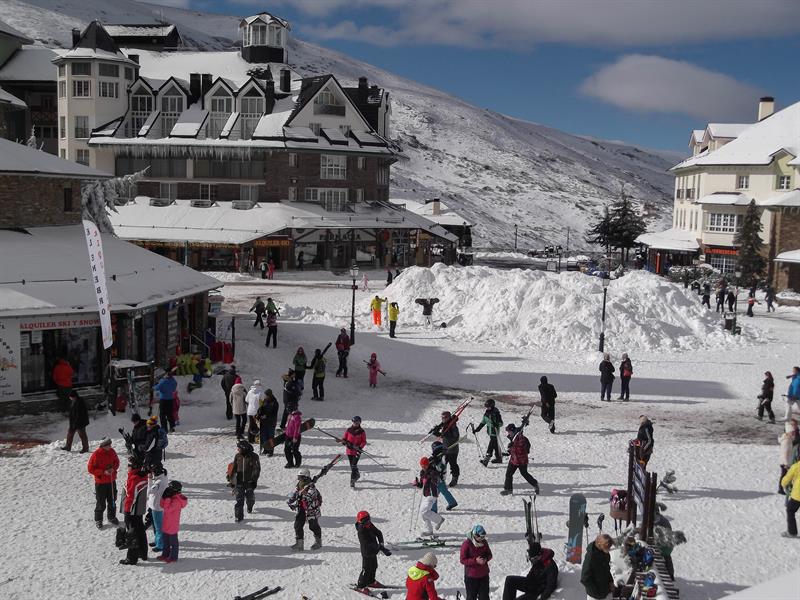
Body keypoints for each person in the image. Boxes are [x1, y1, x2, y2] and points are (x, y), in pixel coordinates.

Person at [119, 456, 149, 565]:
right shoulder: (142, 476)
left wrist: (127, 511)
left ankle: (131, 558)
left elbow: (130, 496)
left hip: (131, 509)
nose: (128, 467)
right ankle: (143, 553)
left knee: (132, 534)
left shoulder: (134, 478)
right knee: (140, 530)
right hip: (138, 509)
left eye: (129, 465)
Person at [87, 437, 120, 529]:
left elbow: (117, 462)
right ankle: (98, 519)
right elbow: (90, 469)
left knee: (112, 500)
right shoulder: (96, 455)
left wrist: (113, 468)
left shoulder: (112, 452)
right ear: (103, 446)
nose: (110, 446)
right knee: (101, 502)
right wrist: (103, 472)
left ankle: (112, 517)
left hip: (111, 480)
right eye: (108, 444)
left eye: (110, 444)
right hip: (101, 483)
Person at [289, 468, 323, 550]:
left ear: (305, 478)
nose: (299, 479)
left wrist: (305, 493)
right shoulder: (300, 485)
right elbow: (296, 494)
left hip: (311, 510)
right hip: (301, 509)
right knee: (297, 525)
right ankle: (299, 544)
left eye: (301, 477)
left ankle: (318, 541)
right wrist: (291, 501)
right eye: (299, 477)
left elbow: (312, 497)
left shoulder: (311, 487)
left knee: (313, 526)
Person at [501, 424, 540, 496]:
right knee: (508, 474)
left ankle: (535, 484)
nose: (508, 433)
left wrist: (513, 446)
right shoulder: (513, 438)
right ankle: (508, 489)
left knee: (524, 474)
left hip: (522, 461)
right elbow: (513, 448)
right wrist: (508, 452)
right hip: (514, 459)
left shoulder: (521, 439)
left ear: (513, 431)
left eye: (509, 431)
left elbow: (523, 448)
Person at [229, 440, 260, 523]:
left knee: (249, 497)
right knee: (239, 499)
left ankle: (250, 506)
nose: (237, 449)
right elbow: (234, 468)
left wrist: (253, 480)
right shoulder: (237, 456)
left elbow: (256, 469)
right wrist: (231, 480)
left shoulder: (254, 456)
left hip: (250, 482)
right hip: (239, 482)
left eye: (239, 448)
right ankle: (238, 516)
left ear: (244, 448)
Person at [355, 511, 388, 590]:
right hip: (366, 552)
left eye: (368, 520)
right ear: (360, 521)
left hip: (373, 551)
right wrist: (379, 547)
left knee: (374, 566)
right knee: (366, 569)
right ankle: (361, 585)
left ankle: (370, 581)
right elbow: (367, 544)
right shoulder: (361, 530)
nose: (367, 522)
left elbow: (378, 533)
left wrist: (381, 544)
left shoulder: (369, 525)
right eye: (365, 521)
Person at [460, 524, 492, 600]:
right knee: (471, 597)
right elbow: (462, 559)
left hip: (484, 575)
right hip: (471, 577)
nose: (482, 539)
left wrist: (486, 559)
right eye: (481, 537)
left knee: (484, 597)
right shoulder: (466, 544)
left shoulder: (484, 542)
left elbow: (490, 554)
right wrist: (475, 561)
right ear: (475, 535)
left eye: (483, 537)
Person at [158, 481, 187, 563]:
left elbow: (167, 509)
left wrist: (167, 498)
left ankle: (174, 557)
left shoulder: (177, 501)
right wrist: (164, 497)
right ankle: (165, 554)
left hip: (172, 526)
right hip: (166, 523)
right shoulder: (171, 498)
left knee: (173, 543)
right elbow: (161, 505)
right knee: (165, 541)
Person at [416, 457, 444, 536]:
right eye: (422, 466)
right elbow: (421, 485)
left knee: (424, 511)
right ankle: (429, 530)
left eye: (424, 465)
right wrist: (417, 483)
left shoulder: (433, 471)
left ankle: (439, 520)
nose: (423, 467)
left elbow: (436, 480)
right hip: (426, 494)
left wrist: (428, 479)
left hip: (432, 494)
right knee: (422, 513)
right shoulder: (422, 472)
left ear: (428, 464)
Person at [581, 533, 614, 599]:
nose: (609, 549)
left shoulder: (605, 553)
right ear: (600, 545)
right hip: (595, 596)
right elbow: (585, 578)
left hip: (606, 591)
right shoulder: (591, 557)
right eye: (608, 547)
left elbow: (606, 569)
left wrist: (610, 581)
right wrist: (596, 593)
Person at [146, 464, 169, 553]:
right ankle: (157, 541)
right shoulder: (164, 477)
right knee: (156, 526)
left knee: (159, 527)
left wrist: (150, 479)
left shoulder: (158, 482)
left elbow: (149, 491)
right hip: (156, 506)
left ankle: (160, 545)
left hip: (157, 507)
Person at [475, 398, 503, 465]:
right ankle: (499, 458)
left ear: (492, 406)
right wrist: (477, 429)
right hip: (490, 432)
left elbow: (501, 423)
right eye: (486, 407)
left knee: (491, 445)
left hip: (494, 432)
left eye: (489, 407)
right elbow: (483, 422)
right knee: (495, 445)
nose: (487, 408)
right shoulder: (486, 413)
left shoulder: (496, 414)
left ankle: (486, 459)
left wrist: (496, 424)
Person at [431, 442, 458, 510]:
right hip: (440, 479)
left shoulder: (443, 457)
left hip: (438, 479)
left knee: (433, 494)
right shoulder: (438, 457)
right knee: (444, 491)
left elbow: (440, 468)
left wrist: (436, 462)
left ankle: (433, 510)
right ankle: (452, 502)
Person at [342, 416, 367, 487]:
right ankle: (357, 474)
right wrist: (344, 442)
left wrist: (359, 447)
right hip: (349, 451)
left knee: (353, 465)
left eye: (357, 422)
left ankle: (352, 480)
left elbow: (364, 441)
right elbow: (344, 438)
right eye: (354, 422)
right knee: (352, 466)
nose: (355, 423)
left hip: (357, 451)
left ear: (360, 422)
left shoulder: (362, 431)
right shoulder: (348, 430)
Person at [440, 411, 460, 487]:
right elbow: (442, 435)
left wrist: (446, 435)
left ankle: (455, 478)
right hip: (445, 448)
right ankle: (441, 478)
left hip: (452, 449)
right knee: (442, 464)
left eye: (444, 418)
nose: (443, 419)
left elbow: (456, 437)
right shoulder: (445, 425)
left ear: (448, 418)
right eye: (442, 418)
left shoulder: (453, 426)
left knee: (453, 464)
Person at [781, 459, 800, 537]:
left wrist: (783, 484)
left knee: (790, 510)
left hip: (798, 494)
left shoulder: (796, 466)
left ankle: (792, 532)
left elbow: (786, 479)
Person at [257, 389, 279, 456]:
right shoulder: (265, 401)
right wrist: (259, 413)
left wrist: (266, 416)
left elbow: (274, 413)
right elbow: (262, 409)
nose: (266, 396)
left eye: (267, 395)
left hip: (271, 422)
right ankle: (265, 449)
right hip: (263, 422)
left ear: (270, 395)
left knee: (270, 437)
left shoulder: (275, 403)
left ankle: (270, 450)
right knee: (264, 437)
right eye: (265, 395)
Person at [778, 421, 797, 495]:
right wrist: (786, 464)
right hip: (785, 462)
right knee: (785, 476)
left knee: (785, 475)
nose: (793, 433)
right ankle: (781, 488)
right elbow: (784, 453)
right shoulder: (786, 440)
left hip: (786, 461)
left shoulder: (789, 439)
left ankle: (783, 488)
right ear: (788, 432)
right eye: (792, 432)